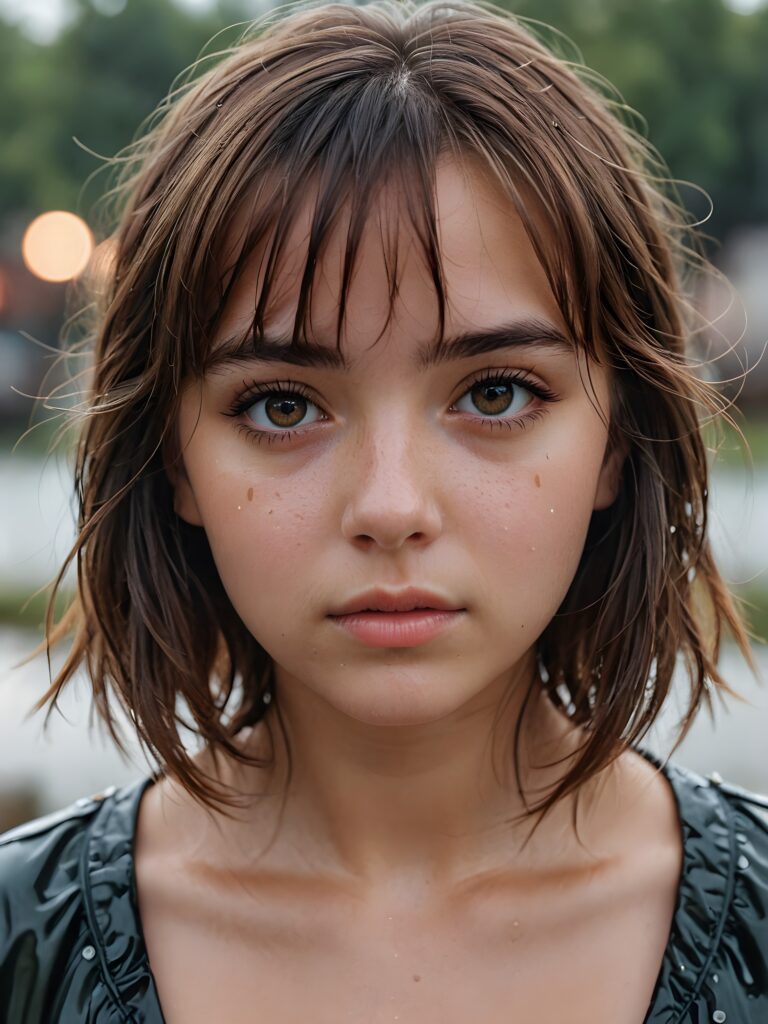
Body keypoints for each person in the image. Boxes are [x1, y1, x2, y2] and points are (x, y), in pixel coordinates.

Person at [1, 0, 767, 1020]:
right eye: (283, 405)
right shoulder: (24, 943)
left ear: (619, 440)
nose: (391, 507)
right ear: (173, 458)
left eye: (495, 393)